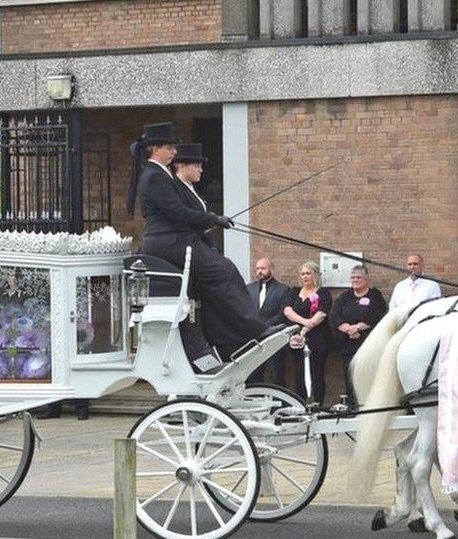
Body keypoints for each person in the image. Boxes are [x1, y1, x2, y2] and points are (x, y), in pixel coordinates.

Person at [134, 125, 282, 358]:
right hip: (169, 241)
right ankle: (253, 329)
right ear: (155, 149)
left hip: (174, 239)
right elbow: (177, 213)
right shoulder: (154, 176)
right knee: (224, 270)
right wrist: (213, 218)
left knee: (216, 275)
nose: (174, 152)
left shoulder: (158, 174)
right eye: (169, 147)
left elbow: (180, 213)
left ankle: (222, 336)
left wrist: (210, 224)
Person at [330, 265, 386, 408]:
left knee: (368, 376)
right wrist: (348, 329)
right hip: (347, 345)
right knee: (349, 378)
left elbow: (377, 315)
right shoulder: (345, 296)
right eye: (353, 277)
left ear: (366, 279)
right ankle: (352, 406)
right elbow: (334, 316)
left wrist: (358, 327)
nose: (355, 280)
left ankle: (369, 407)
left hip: (367, 344)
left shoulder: (375, 295)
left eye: (359, 277)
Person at [282, 261, 332, 404]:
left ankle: (317, 404)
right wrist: (304, 323)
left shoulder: (323, 292)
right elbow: (287, 310)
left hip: (317, 339)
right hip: (296, 339)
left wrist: (304, 331)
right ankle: (301, 403)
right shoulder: (294, 291)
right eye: (303, 273)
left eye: (308, 273)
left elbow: (321, 314)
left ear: (315, 274)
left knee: (317, 373)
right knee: (299, 373)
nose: (305, 276)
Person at [246, 258, 290, 385]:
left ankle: (281, 404)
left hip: (273, 338)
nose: (260, 271)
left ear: (272, 269)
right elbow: (245, 310)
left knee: (277, 374)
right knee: (253, 375)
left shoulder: (283, 289)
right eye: (258, 268)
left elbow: (282, 314)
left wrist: (265, 327)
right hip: (253, 339)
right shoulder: (249, 288)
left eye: (263, 268)